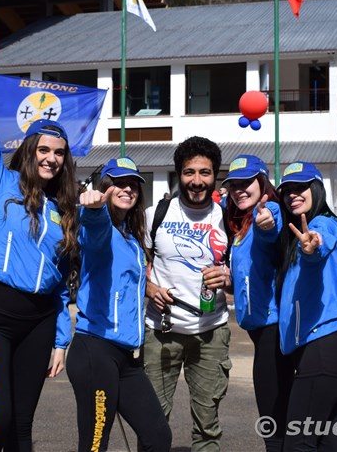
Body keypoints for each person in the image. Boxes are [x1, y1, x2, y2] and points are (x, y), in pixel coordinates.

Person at [0, 0, 77, 451]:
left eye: (58, 153)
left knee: (23, 427)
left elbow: (65, 282)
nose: (50, 158)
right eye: (43, 150)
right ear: (30, 151)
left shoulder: (65, 209)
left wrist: (61, 340)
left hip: (40, 322)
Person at [67, 157, 172, 451]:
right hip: (96, 350)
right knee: (96, 442)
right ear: (105, 188)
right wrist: (95, 208)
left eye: (133, 185)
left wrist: (149, 289)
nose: (127, 189)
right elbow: (97, 232)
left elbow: (120, 281)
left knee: (158, 435)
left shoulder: (131, 238)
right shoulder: (98, 227)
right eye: (118, 183)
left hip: (128, 356)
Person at [143, 135, 232, 452]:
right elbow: (137, 263)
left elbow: (242, 274)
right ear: (178, 173)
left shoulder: (227, 219)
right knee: (152, 424)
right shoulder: (156, 214)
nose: (196, 181)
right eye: (189, 172)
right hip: (161, 333)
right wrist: (149, 287)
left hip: (210, 333)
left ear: (215, 176)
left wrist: (227, 277)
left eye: (204, 173)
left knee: (208, 428)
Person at [276, 162, 337, 451]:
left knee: (298, 444)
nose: (293, 195)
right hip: (325, 354)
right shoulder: (296, 230)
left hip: (321, 353)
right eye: (287, 190)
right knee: (329, 444)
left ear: (317, 189)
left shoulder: (323, 224)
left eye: (301, 188)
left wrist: (313, 245)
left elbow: (318, 245)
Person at [222, 155, 293, 452]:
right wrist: (227, 279)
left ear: (262, 182)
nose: (239, 189)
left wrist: (267, 224)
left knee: (274, 417)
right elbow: (250, 274)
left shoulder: (268, 211)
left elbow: (272, 229)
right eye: (233, 185)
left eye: (246, 182)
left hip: (273, 329)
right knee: (277, 414)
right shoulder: (241, 225)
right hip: (259, 329)